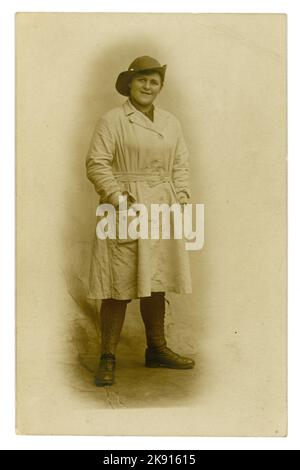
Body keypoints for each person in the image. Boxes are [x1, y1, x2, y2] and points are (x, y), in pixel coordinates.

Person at [86, 55, 195, 387]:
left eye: (154, 82)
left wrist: (183, 195)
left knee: (156, 278)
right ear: (129, 83)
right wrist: (119, 197)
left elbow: (180, 163)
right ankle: (107, 356)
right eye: (142, 80)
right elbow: (96, 163)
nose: (148, 86)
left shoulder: (171, 122)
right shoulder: (113, 120)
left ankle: (157, 349)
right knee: (117, 283)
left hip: (163, 206)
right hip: (125, 205)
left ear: (160, 87)